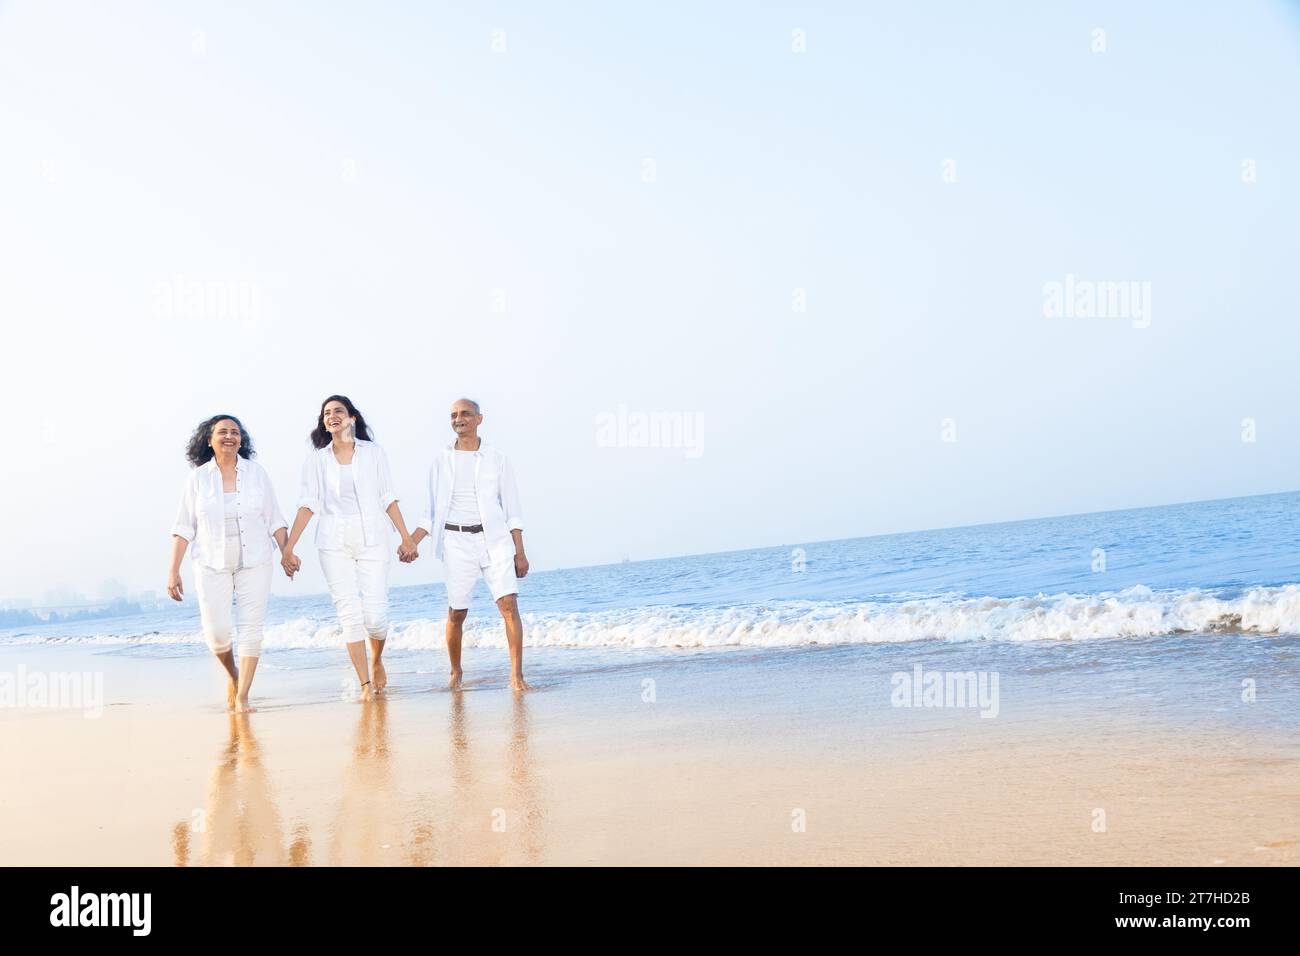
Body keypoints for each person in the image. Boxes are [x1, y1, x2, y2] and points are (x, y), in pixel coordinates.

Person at [281, 396, 417, 700]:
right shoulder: (316, 460)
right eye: (327, 413)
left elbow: (388, 496)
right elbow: (308, 505)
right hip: (333, 542)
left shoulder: (374, 453)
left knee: (375, 617)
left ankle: (377, 659)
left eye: (338, 411)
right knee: (349, 614)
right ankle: (365, 684)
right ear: (323, 422)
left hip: (374, 539)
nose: (332, 417)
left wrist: (406, 538)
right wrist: (289, 547)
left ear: (352, 417)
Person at [167, 414, 288, 712]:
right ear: (209, 440)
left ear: (241, 440)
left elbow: (275, 519)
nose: (229, 436)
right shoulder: (197, 478)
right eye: (222, 432)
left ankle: (243, 696)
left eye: (235, 432)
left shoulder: (257, 474)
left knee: (251, 629)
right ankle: (233, 674)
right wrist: (173, 570)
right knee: (217, 632)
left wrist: (287, 552)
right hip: (210, 562)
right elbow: (184, 526)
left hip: (256, 559)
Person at [411, 398, 530, 691]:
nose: (458, 419)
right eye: (453, 415)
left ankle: (516, 677)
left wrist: (520, 552)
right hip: (456, 541)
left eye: (465, 414)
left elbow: (512, 509)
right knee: (457, 612)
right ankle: (455, 672)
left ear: (479, 419)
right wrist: (411, 542)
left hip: (495, 539)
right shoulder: (441, 460)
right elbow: (429, 513)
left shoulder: (497, 459)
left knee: (509, 604)